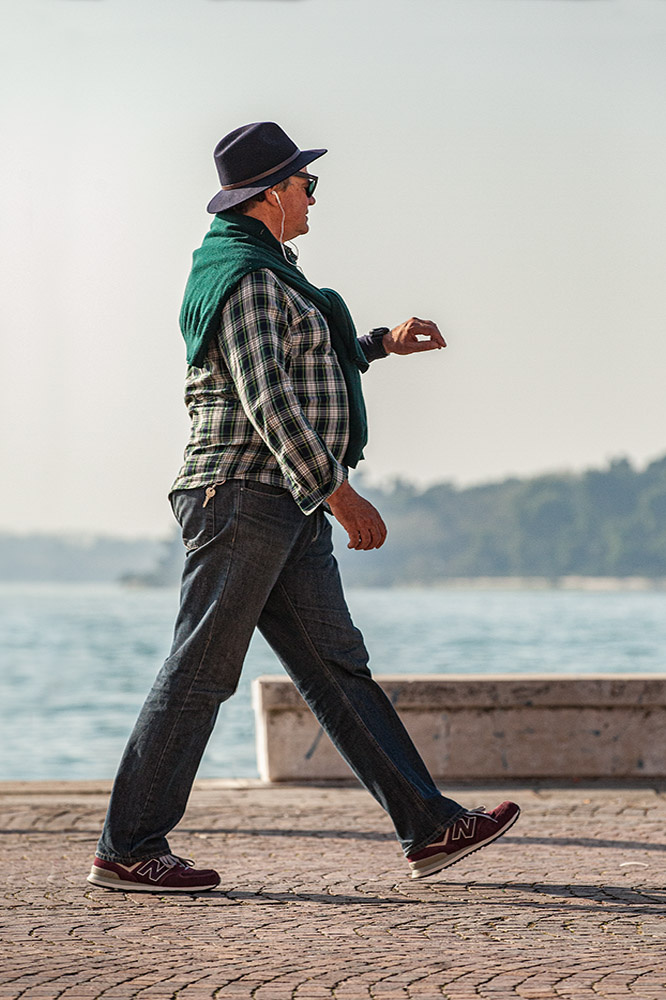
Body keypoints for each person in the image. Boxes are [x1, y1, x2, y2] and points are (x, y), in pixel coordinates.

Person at [87, 122, 520, 893]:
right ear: (268, 196)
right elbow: (269, 399)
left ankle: (429, 826)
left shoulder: (268, 271)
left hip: (280, 499)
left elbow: (306, 361)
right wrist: (339, 493)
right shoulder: (246, 280)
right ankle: (128, 847)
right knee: (201, 673)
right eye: (304, 184)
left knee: (337, 668)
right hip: (243, 495)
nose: (314, 197)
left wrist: (380, 342)